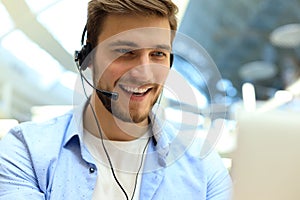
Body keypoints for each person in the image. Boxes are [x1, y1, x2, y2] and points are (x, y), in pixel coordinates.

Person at [0, 0, 232, 199]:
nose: (144, 73)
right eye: (125, 52)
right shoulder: (26, 151)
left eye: (158, 54)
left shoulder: (203, 164)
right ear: (88, 58)